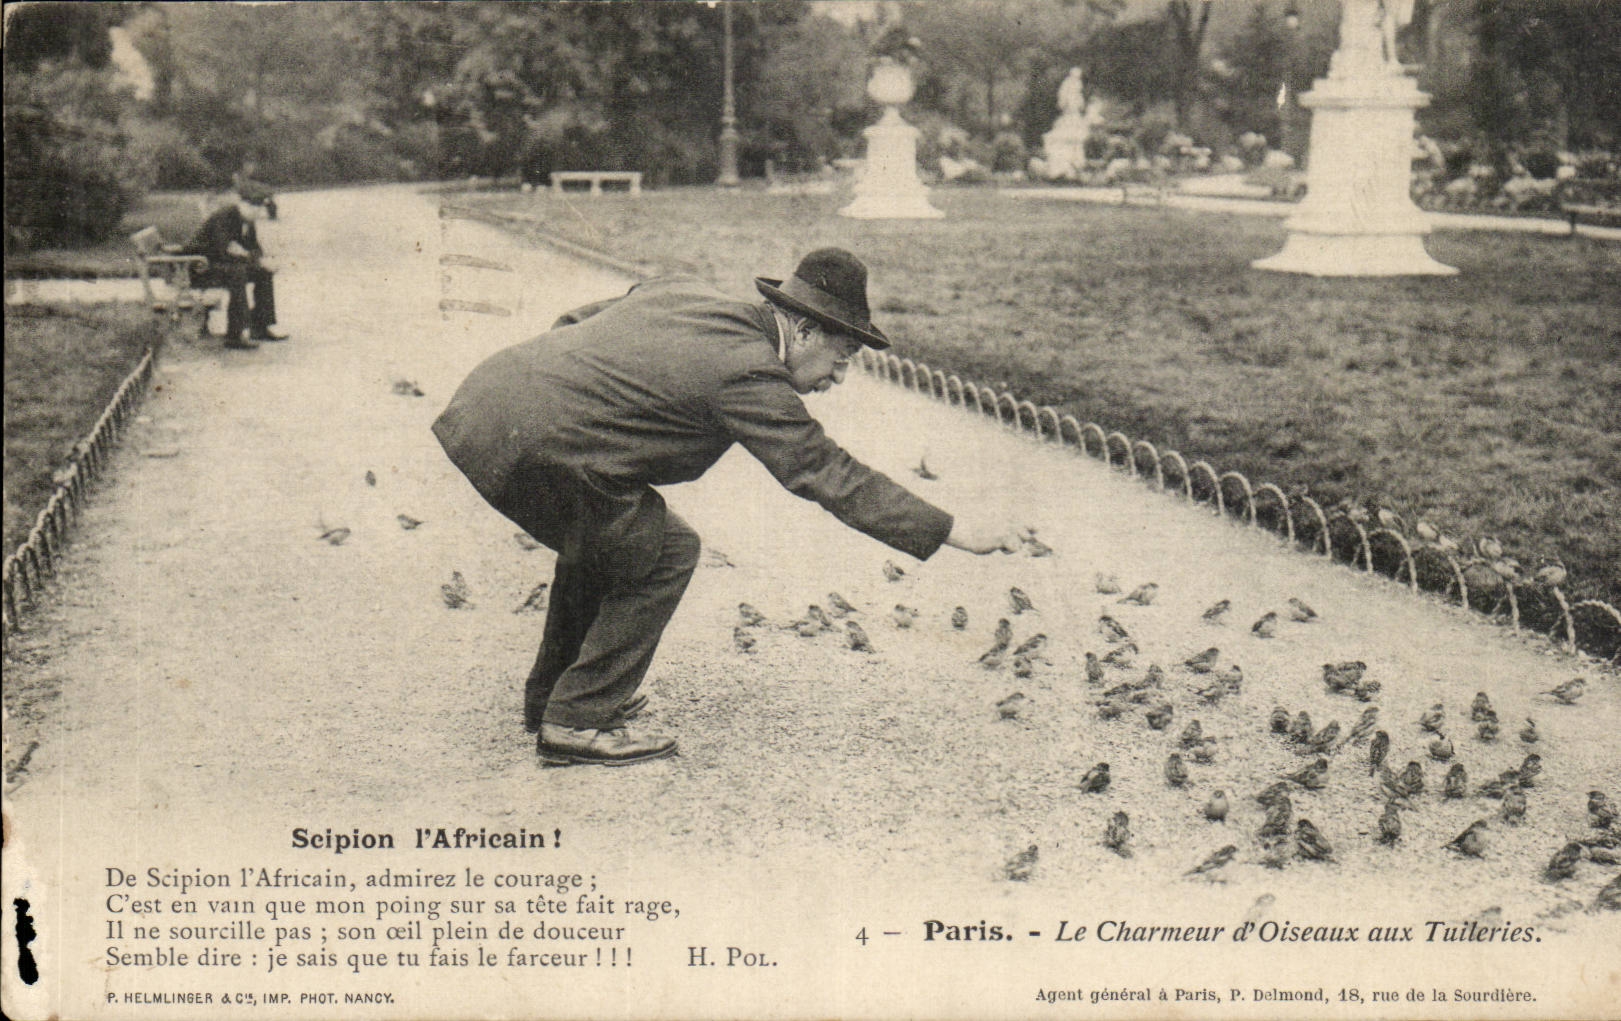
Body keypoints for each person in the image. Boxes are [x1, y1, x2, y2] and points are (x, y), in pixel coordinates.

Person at [434, 249, 1022, 767]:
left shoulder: (682, 291)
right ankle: (577, 719)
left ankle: (555, 700)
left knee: (613, 534)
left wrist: (569, 394)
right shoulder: (748, 370)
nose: (840, 377)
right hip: (535, 447)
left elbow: (577, 322)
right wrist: (952, 531)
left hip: (484, 405)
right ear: (806, 332)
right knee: (665, 550)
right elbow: (823, 472)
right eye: (843, 356)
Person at [183, 193, 288, 349]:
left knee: (263, 272)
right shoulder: (224, 218)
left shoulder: (247, 220)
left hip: (219, 265)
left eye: (260, 210)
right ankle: (235, 335)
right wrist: (249, 257)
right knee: (237, 273)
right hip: (200, 268)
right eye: (256, 209)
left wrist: (260, 262)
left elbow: (255, 249)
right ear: (244, 205)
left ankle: (260, 326)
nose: (258, 214)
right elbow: (224, 251)